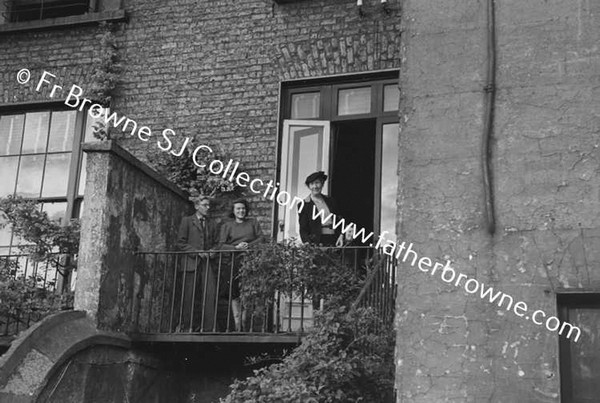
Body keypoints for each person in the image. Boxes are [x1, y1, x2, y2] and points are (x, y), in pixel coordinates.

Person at [218, 198, 264, 331]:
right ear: (233, 211)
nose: (241, 211)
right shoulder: (227, 226)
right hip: (234, 261)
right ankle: (237, 323)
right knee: (235, 293)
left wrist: (248, 246)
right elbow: (221, 245)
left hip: (250, 260)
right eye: (238, 208)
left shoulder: (252, 223)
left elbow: (261, 238)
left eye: (243, 208)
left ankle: (244, 322)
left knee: (248, 291)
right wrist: (236, 248)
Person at [176, 195, 220, 332]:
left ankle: (208, 328)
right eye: (205, 205)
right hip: (191, 263)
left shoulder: (212, 224)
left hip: (207, 264)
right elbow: (181, 243)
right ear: (196, 206)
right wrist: (196, 252)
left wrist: (213, 251)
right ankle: (186, 327)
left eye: (208, 205)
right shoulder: (187, 221)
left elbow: (217, 243)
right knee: (188, 296)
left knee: (209, 294)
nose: (208, 208)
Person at [298, 171, 346, 247]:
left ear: (322, 184)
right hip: (316, 241)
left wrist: (341, 235)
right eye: (312, 184)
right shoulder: (304, 204)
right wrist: (307, 243)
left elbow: (339, 219)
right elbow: (303, 228)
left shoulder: (331, 201)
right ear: (309, 186)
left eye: (317, 183)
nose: (315, 186)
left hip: (334, 239)